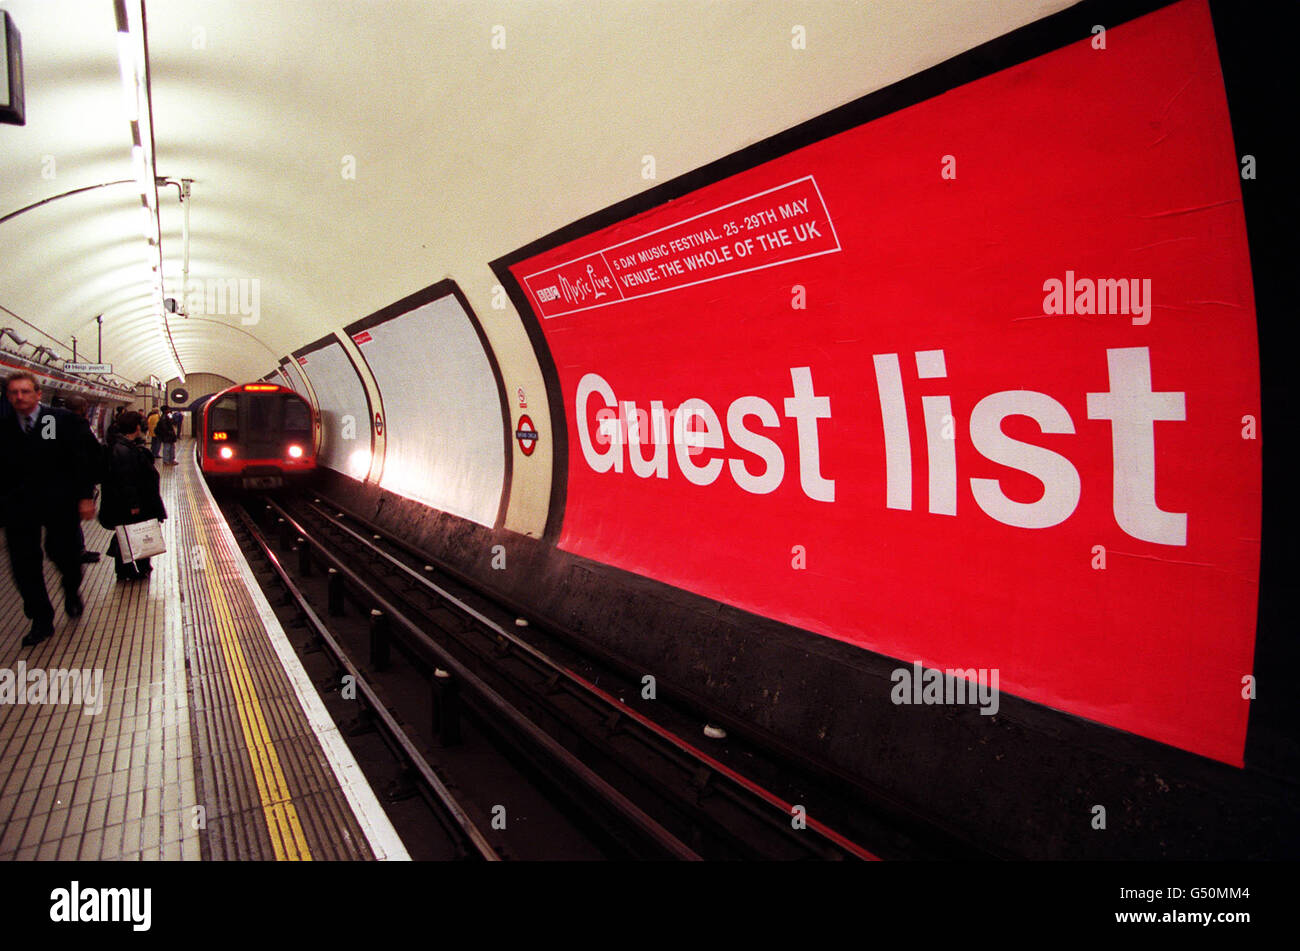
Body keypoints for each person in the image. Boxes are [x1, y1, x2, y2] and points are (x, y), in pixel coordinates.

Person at [0, 372, 99, 646]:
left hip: (59, 502)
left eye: (25, 391)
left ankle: (70, 587)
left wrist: (84, 496)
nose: (20, 397)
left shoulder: (58, 421)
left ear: (38, 394)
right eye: (14, 393)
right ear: (8, 396)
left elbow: (83, 459)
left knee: (64, 554)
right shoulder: (4, 426)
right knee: (23, 565)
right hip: (18, 507)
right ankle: (41, 618)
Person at [99, 411, 166, 581]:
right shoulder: (122, 449)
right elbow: (126, 480)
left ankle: (137, 567)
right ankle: (126, 570)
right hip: (132, 503)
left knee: (128, 533)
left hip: (135, 500)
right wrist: (134, 504)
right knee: (128, 534)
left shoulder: (125, 446)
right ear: (136, 427)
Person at [62, 396, 104, 563]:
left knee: (69, 521)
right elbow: (91, 457)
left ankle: (77, 550)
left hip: (56, 482)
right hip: (73, 483)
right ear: (84, 409)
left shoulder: (49, 421)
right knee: (71, 521)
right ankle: (76, 552)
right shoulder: (81, 426)